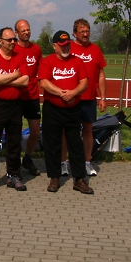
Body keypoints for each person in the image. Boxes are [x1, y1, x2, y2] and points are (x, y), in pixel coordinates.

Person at [38, 30, 93, 195]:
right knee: (52, 144)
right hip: (52, 109)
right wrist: (63, 93)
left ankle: (79, 179)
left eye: (67, 44)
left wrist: (73, 93)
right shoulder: (48, 61)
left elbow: (84, 82)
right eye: (62, 45)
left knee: (75, 145)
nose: (66, 48)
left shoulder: (77, 61)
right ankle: (54, 177)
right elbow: (44, 82)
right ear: (55, 46)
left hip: (73, 109)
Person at [0, 27, 29, 193]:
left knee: (14, 142)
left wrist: (5, 80)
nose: (12, 42)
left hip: (15, 105)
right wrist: (14, 75)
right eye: (9, 40)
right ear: (0, 41)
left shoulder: (20, 57)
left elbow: (25, 80)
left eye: (14, 39)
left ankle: (13, 175)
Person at [60, 18, 107, 176]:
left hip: (89, 99)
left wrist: (102, 97)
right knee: (66, 131)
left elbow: (101, 74)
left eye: (87, 31)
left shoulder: (96, 50)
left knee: (88, 130)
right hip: (71, 98)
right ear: (74, 33)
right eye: (82, 32)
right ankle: (63, 163)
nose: (86, 34)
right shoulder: (68, 48)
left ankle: (87, 162)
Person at [13, 19, 43, 177]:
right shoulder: (12, 48)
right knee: (14, 133)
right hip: (16, 97)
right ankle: (14, 164)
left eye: (28, 29)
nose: (27, 32)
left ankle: (27, 159)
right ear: (16, 33)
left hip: (32, 96)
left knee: (35, 131)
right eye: (23, 30)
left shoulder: (36, 49)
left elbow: (41, 70)